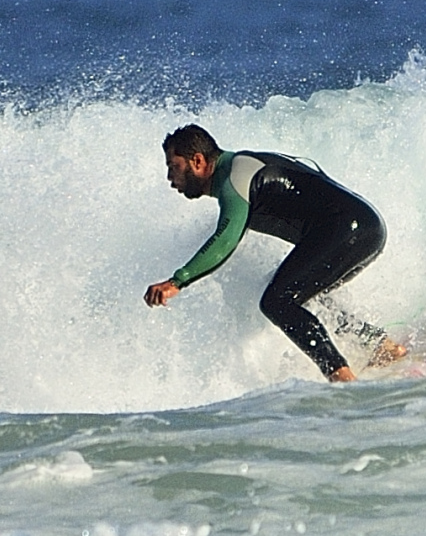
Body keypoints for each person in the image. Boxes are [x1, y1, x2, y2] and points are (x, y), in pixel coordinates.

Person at [143, 124, 401, 381]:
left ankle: (341, 376)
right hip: (367, 227)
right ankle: (383, 348)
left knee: (277, 301)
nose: (170, 177)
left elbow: (225, 240)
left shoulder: (235, 177)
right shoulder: (244, 167)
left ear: (197, 161)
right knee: (300, 293)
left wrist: (178, 281)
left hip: (349, 228)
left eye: (174, 166)